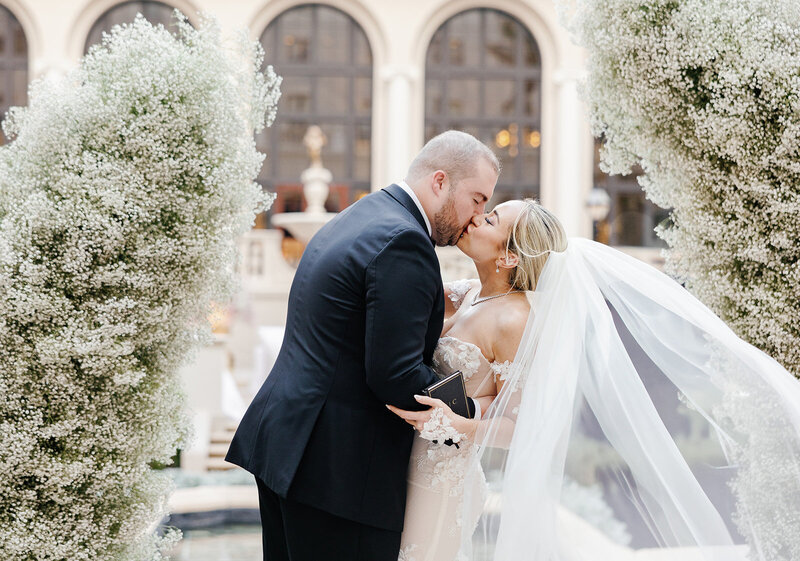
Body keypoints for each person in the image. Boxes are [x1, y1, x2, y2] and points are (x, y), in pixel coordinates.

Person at [390, 199, 800, 561]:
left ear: (509, 257)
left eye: (492, 219)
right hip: (399, 459)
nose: (478, 218)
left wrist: (461, 425)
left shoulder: (515, 319)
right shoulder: (466, 294)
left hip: (442, 481)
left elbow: (519, 422)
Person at [225, 130, 500, 561]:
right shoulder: (405, 242)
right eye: (478, 199)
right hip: (339, 473)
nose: (477, 215)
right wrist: (472, 415)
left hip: (290, 447)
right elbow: (397, 375)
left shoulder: (366, 214)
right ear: (440, 181)